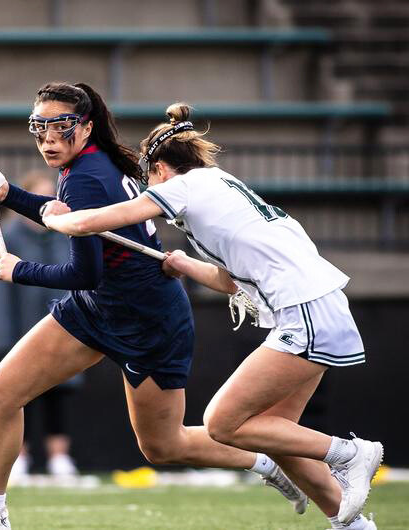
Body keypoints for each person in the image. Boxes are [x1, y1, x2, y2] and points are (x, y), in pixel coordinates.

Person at [0, 83, 307, 530]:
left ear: (86, 126)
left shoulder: (88, 176)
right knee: (1, 391)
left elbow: (85, 272)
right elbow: (65, 215)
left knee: (163, 446)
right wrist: (7, 193)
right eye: (40, 128)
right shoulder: (88, 165)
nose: (49, 139)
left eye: (61, 126)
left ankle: (270, 462)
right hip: (97, 309)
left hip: (146, 321)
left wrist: (20, 271)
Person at [41, 102, 383, 530]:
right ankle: (353, 526)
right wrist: (183, 264)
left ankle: (349, 454)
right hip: (312, 307)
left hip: (304, 311)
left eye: (150, 179)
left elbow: (101, 220)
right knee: (275, 435)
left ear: (161, 169)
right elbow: (230, 282)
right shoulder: (219, 185)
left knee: (222, 422)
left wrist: (54, 216)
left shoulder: (184, 187)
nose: (150, 187)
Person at [0, 170, 78, 479]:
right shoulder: (9, 236)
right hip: (23, 326)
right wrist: (3, 334)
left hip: (62, 324)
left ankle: (58, 456)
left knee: (59, 391)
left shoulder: (65, 234)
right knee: (17, 393)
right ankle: (18, 456)